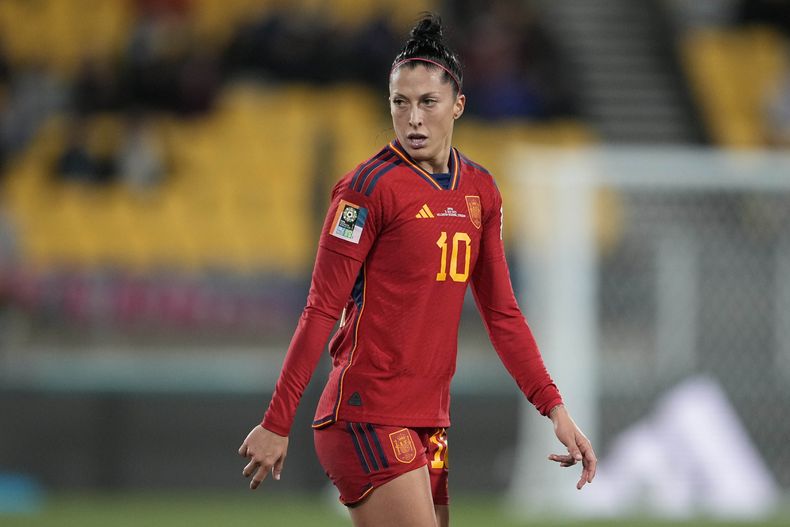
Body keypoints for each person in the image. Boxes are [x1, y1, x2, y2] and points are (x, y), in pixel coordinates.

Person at [238, 13, 596, 527]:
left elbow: (502, 315)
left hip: (430, 419)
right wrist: (277, 422)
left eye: (428, 102)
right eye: (400, 103)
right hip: (366, 413)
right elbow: (320, 308)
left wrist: (555, 409)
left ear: (458, 105)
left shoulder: (480, 190)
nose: (413, 119)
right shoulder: (366, 190)